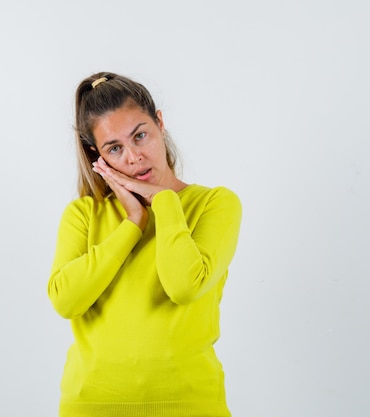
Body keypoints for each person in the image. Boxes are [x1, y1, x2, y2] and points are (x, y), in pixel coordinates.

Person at [48, 71, 242, 417]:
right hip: (92, 406)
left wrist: (164, 202)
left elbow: (184, 286)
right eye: (115, 148)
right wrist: (132, 223)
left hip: (191, 405)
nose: (134, 157)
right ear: (98, 155)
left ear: (160, 123)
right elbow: (65, 301)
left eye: (140, 136)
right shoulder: (84, 213)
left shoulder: (215, 204)